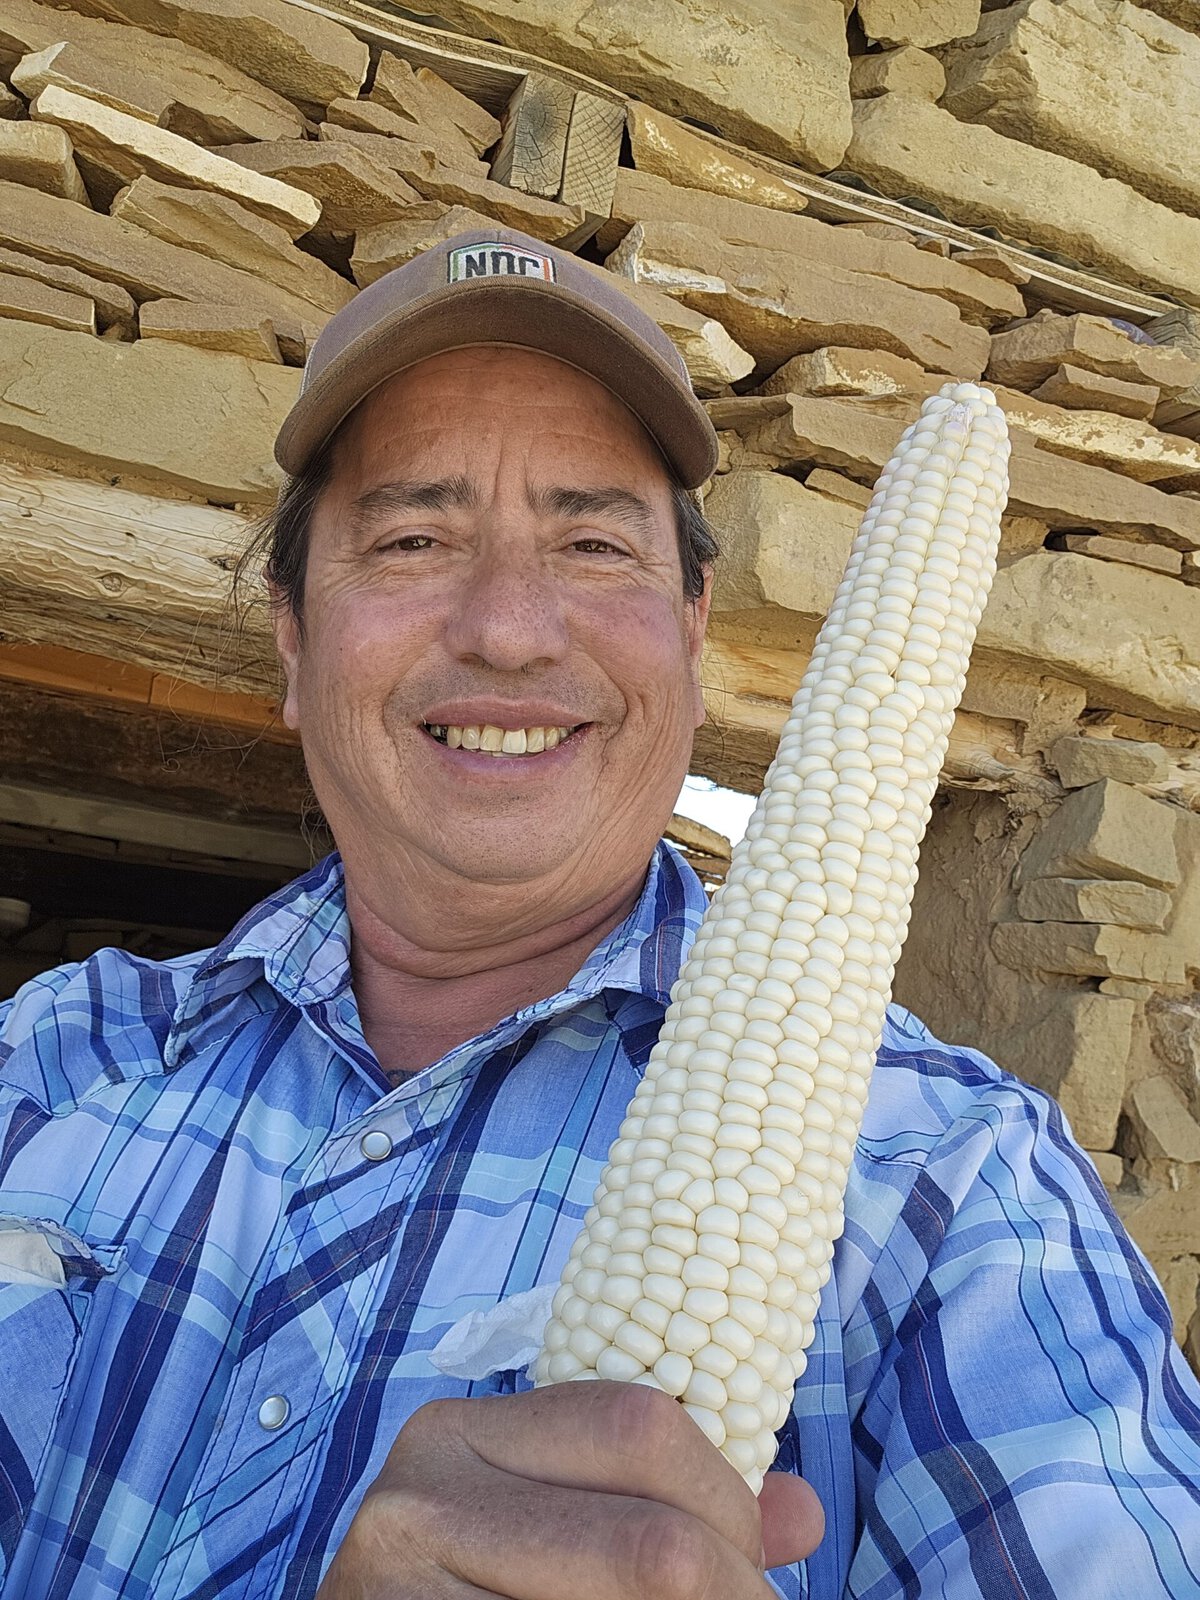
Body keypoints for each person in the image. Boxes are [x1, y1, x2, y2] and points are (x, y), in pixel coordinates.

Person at [0, 225, 1197, 1600]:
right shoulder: (42, 1061)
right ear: (292, 638)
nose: (510, 627)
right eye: (411, 536)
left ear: (691, 636)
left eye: (590, 541)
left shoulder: (959, 1192)